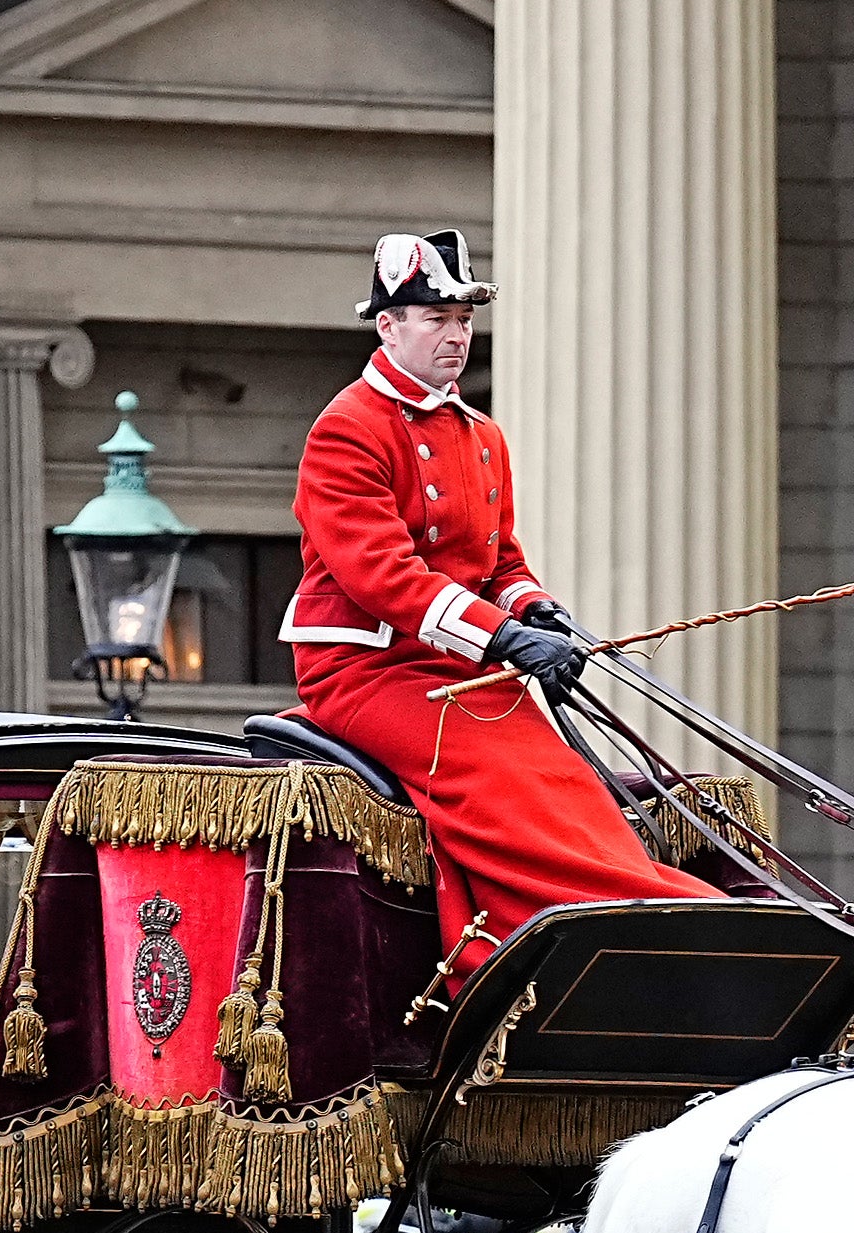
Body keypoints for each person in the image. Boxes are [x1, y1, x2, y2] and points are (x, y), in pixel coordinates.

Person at [281, 229, 706, 991]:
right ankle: (580, 930)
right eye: (436, 318)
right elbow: (384, 575)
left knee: (561, 771)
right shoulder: (347, 427)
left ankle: (636, 904)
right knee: (493, 772)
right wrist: (502, 635)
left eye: (463, 319)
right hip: (368, 668)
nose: (455, 335)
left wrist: (538, 612)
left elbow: (499, 560)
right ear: (389, 326)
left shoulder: (482, 435)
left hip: (461, 661)